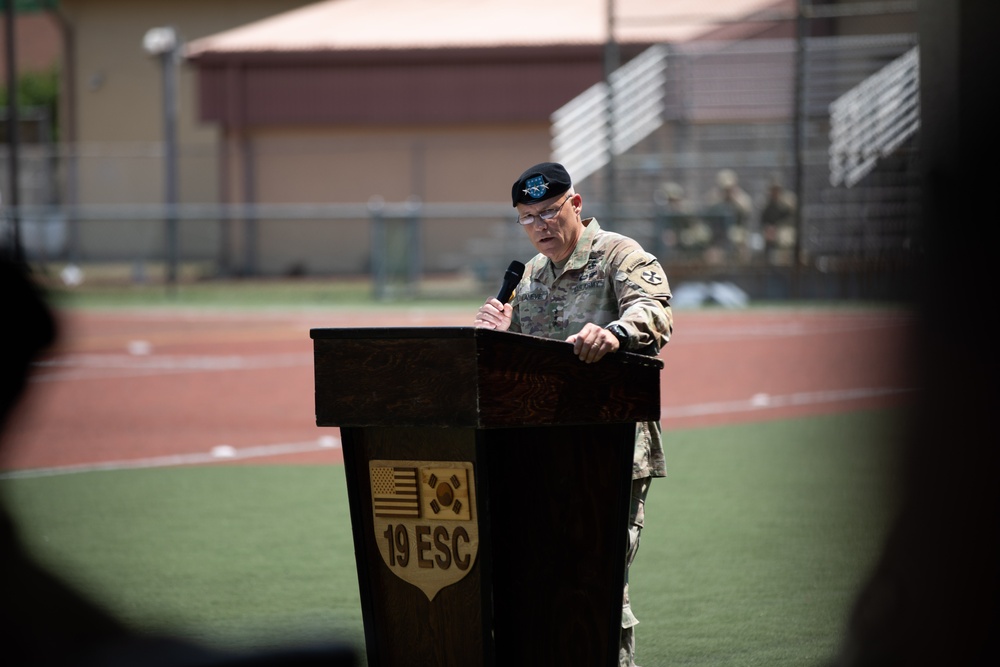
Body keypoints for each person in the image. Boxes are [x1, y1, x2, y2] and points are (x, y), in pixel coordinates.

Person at [474, 162, 673, 667]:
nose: (540, 225)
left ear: (576, 205)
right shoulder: (531, 277)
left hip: (612, 446)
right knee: (541, 579)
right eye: (527, 217)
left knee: (598, 581)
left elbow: (655, 308)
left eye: (549, 212)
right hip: (541, 448)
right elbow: (520, 368)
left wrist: (616, 334)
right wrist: (498, 339)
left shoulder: (617, 256)